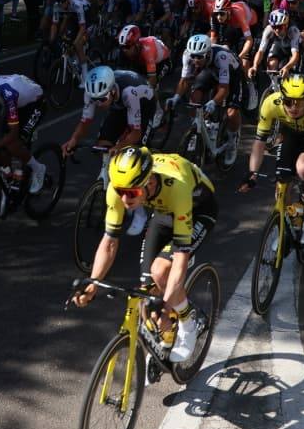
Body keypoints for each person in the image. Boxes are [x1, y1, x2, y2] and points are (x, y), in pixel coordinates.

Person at [73, 145, 217, 363]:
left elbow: (180, 260)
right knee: (145, 291)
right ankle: (163, 340)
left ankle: (189, 323)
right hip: (163, 210)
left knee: (160, 272)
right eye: (120, 192)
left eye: (131, 194)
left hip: (197, 209)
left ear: (149, 181)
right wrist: (93, 283)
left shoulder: (177, 186)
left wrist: (168, 309)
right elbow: (110, 242)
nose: (124, 200)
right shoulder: (121, 187)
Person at [239, 74, 304, 246]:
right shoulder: (270, 103)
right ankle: (286, 225)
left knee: (303, 168)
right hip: (289, 132)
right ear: (281, 98)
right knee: (282, 182)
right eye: (288, 101)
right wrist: (252, 173)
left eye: (300, 102)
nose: (294, 107)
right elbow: (259, 143)